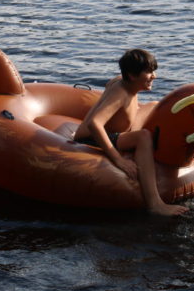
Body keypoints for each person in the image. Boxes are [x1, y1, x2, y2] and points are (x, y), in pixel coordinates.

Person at [74, 49, 188, 216]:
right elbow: (94, 123)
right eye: (148, 72)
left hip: (117, 130)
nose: (154, 76)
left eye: (153, 70)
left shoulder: (121, 80)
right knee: (144, 137)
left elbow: (110, 87)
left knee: (155, 106)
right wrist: (118, 159)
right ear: (132, 76)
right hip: (89, 138)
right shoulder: (121, 93)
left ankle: (190, 147)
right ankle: (154, 203)